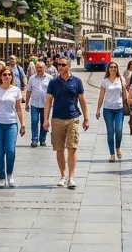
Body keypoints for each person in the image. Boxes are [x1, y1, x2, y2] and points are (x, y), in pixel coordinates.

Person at [43, 57, 89, 189]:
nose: (60, 67)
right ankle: (63, 176)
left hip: (73, 118)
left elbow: (82, 100)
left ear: (69, 66)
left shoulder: (77, 81)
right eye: (59, 65)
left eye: (63, 65)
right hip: (57, 118)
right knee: (59, 149)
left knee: (72, 147)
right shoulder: (53, 82)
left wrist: (86, 119)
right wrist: (46, 120)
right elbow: (48, 101)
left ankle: (71, 177)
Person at [95, 62, 126, 162]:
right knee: (110, 132)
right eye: (111, 67)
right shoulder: (104, 81)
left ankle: (118, 148)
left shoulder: (121, 79)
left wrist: (131, 105)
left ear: (117, 69)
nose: (113, 69)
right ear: (108, 69)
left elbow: (125, 94)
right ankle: (112, 154)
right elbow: (101, 96)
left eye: (115, 67)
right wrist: (98, 109)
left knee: (119, 130)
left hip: (119, 109)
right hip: (108, 109)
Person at [25, 61, 52, 148]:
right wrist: (26, 103)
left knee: (44, 122)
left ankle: (43, 140)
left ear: (44, 68)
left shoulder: (50, 78)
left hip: (46, 104)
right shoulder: (32, 78)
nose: (39, 69)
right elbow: (28, 91)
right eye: (37, 67)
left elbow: (53, 92)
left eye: (41, 67)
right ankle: (34, 139)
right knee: (34, 121)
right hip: (34, 104)